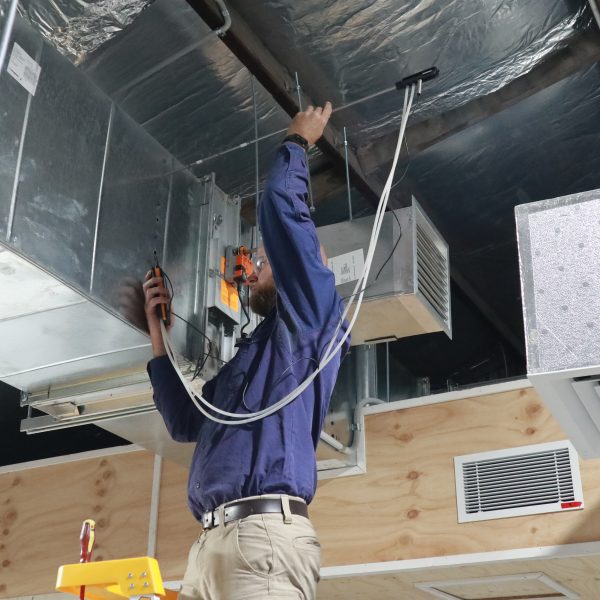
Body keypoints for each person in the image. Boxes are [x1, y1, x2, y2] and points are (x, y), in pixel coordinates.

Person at [143, 102, 349, 600]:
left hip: (262, 542)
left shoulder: (312, 321)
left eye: (264, 258)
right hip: (217, 542)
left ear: (307, 265)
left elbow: (281, 205)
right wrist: (159, 332)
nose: (253, 265)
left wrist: (297, 141)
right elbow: (185, 421)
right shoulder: (261, 353)